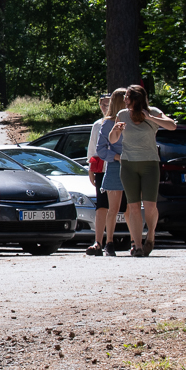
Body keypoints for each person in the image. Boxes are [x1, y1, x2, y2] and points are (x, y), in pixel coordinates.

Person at [108, 84, 177, 256]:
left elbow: (172, 126)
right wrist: (116, 130)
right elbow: (113, 139)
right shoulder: (122, 114)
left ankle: (151, 235)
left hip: (150, 164)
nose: (124, 99)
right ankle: (137, 246)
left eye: (127, 97)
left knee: (150, 206)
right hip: (129, 164)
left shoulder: (153, 112)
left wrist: (151, 118)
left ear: (135, 99)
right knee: (134, 206)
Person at [93, 88, 128, 255]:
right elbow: (100, 150)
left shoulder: (135, 119)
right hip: (116, 166)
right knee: (112, 208)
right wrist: (116, 157)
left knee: (132, 207)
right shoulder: (107, 123)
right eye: (127, 98)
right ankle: (109, 242)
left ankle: (136, 242)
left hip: (133, 165)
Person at [84, 95, 111, 255]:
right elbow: (92, 150)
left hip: (119, 167)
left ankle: (133, 240)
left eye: (108, 104)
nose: (105, 107)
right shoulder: (97, 125)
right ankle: (98, 241)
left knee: (126, 206)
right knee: (102, 205)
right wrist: (91, 169)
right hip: (102, 169)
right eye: (102, 104)